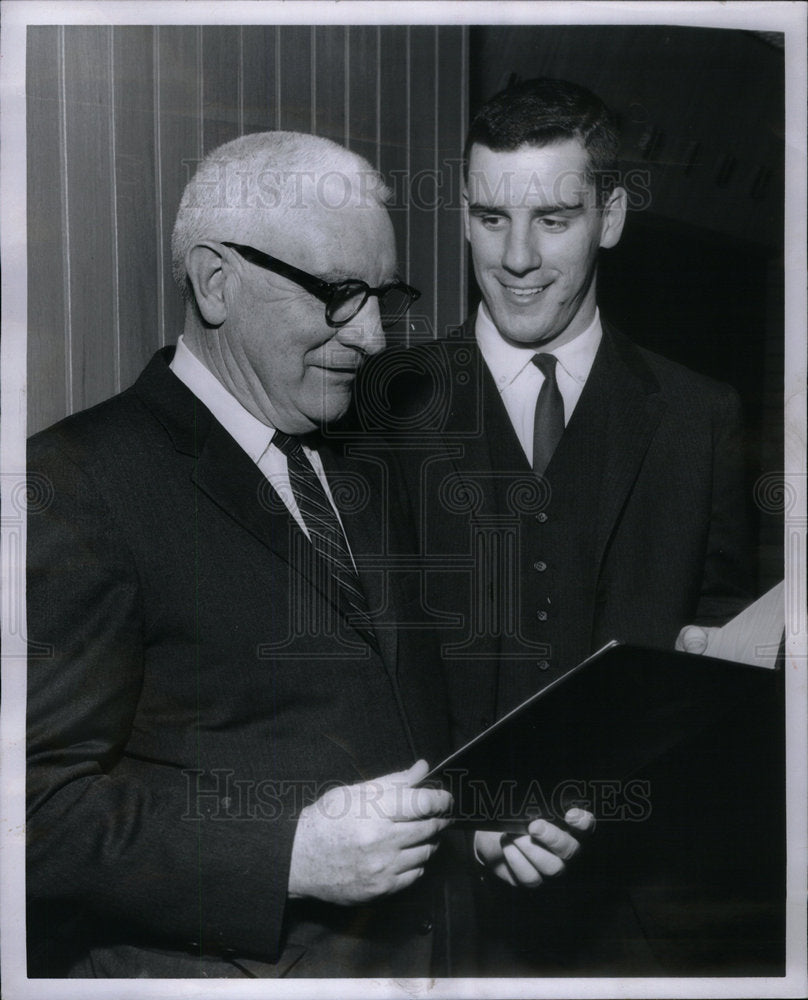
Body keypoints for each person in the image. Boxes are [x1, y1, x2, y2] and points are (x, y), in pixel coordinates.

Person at [26, 130, 592, 980]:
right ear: (218, 282)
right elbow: (33, 812)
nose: (368, 337)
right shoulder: (78, 481)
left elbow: (381, 721)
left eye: (384, 298)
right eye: (338, 294)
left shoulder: (365, 451)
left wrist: (473, 830)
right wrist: (286, 855)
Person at [353, 79, 765, 973]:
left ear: (610, 217)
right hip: (430, 925)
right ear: (463, 215)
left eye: (554, 219)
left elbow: (730, 666)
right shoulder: (380, 410)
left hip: (636, 926)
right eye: (492, 218)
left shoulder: (700, 417)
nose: (518, 257)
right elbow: (353, 672)